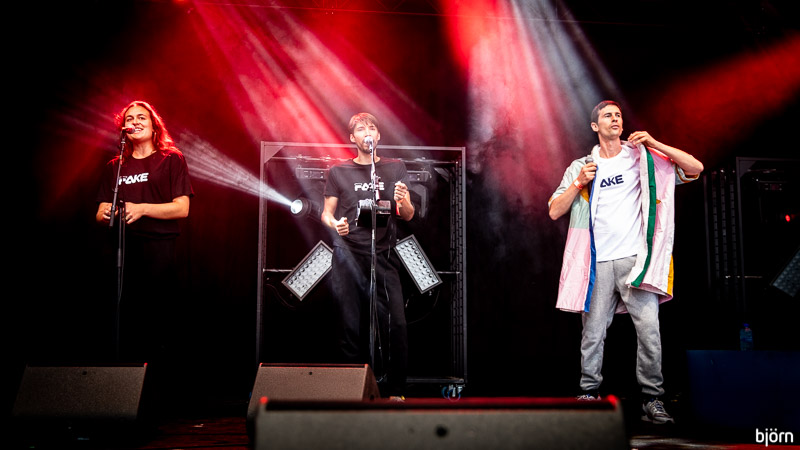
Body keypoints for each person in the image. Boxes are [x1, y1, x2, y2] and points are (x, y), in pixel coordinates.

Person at [548, 100, 703, 424]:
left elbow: (695, 168)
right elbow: (554, 210)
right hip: (597, 264)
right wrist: (579, 183)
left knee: (649, 331)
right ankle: (588, 393)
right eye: (608, 115)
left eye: (618, 114)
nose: (615, 118)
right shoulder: (582, 166)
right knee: (592, 334)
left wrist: (655, 143)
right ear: (595, 126)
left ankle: (652, 399)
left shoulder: (642, 158)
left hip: (636, 261)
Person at [321, 112, 414, 398]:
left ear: (379, 135)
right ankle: (352, 394)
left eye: (371, 128)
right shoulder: (338, 171)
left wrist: (402, 200)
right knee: (349, 325)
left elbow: (408, 214)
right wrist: (336, 224)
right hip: (348, 254)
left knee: (395, 323)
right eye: (361, 129)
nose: (367, 132)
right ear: (353, 138)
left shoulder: (395, 168)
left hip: (383, 253)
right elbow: (326, 214)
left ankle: (395, 391)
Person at [96, 100, 194, 366]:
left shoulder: (171, 159)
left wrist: (142, 209)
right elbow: (100, 210)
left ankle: (157, 372)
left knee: (157, 318)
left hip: (159, 249)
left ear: (154, 126)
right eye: (129, 119)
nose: (135, 122)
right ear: (123, 129)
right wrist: (108, 213)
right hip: (122, 249)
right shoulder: (115, 166)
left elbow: (182, 208)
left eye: (142, 117)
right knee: (124, 316)